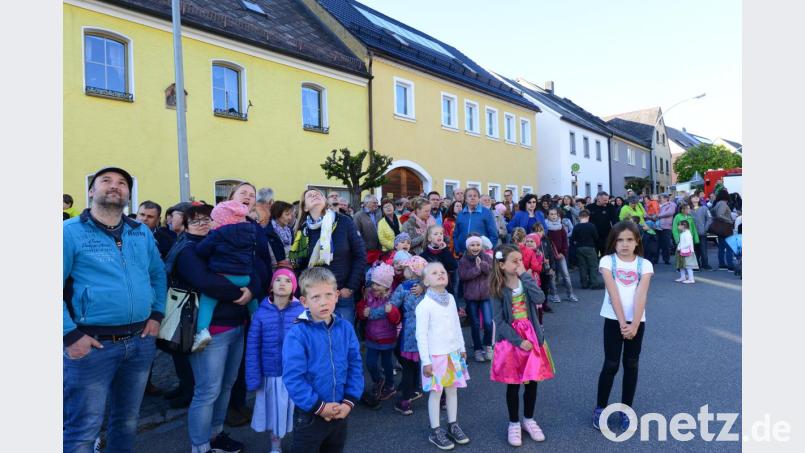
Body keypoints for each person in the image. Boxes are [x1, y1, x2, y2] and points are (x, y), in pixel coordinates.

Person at [63, 167, 166, 453]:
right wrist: (70, 335)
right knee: (82, 430)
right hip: (91, 346)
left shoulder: (140, 232)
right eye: (106, 180)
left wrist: (157, 314)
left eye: (122, 183)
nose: (115, 186)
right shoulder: (68, 232)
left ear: (129, 195)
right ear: (91, 191)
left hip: (140, 342)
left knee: (127, 422)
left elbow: (157, 274)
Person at [165, 203, 262, 453]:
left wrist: (252, 289)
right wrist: (243, 293)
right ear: (185, 225)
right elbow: (207, 282)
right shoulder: (187, 250)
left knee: (227, 385)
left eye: (206, 219)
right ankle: (200, 445)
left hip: (236, 325)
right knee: (207, 390)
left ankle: (216, 435)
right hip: (209, 332)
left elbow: (253, 269)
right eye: (195, 221)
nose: (202, 224)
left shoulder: (225, 241)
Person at [282, 267, 364, 453]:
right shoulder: (297, 334)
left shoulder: (346, 328)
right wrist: (320, 407)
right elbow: (293, 377)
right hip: (310, 415)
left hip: (341, 410)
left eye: (328, 295)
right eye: (316, 297)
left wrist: (349, 401)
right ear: (304, 301)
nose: (323, 302)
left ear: (337, 296)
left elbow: (355, 366)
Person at [593, 221, 654, 433]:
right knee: (611, 364)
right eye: (620, 240)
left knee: (631, 364)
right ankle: (601, 408)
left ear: (637, 241)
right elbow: (613, 293)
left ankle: (626, 410)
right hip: (613, 320)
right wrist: (623, 323)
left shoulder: (645, 265)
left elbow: (641, 295)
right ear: (614, 242)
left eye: (629, 239)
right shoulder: (607, 261)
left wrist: (634, 324)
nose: (625, 244)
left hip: (637, 321)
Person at [489, 245, 551, 447]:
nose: (519, 264)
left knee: (532, 381)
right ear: (501, 265)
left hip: (531, 336)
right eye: (514, 261)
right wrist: (518, 340)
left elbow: (540, 298)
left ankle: (529, 420)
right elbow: (499, 321)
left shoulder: (525, 280)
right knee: (514, 383)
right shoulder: (497, 288)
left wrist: (526, 276)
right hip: (512, 340)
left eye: (520, 260)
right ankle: (514, 423)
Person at [246, 269, 305, 453]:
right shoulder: (260, 314)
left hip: (295, 374)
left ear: (293, 287)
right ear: (271, 286)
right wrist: (253, 377)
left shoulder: (302, 312)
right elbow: (253, 347)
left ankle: (301, 445)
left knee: (297, 413)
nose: (282, 283)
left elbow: (309, 343)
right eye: (278, 279)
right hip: (271, 375)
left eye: (287, 280)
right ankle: (275, 447)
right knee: (275, 413)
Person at [289, 189, 367, 328]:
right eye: (310, 195)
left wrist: (350, 287)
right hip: (314, 295)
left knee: (343, 336)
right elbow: (296, 265)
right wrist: (303, 292)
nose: (314, 195)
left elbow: (360, 255)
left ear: (325, 201)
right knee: (318, 337)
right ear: (305, 207)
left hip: (341, 294)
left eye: (318, 194)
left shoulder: (344, 222)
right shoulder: (302, 231)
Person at [416, 262, 471, 450]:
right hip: (435, 357)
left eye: (442, 271)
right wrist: (426, 361)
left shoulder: (451, 299)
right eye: (434, 273)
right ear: (425, 281)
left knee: (452, 390)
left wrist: (462, 347)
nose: (440, 274)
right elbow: (421, 336)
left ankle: (453, 425)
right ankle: (436, 430)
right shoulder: (424, 305)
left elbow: (456, 324)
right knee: (436, 393)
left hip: (453, 354)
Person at [193, 200, 260, 352]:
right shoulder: (250, 232)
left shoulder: (218, 234)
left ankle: (202, 331)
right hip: (245, 277)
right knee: (251, 298)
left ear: (221, 220)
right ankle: (256, 317)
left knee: (207, 300)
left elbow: (201, 250)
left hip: (224, 276)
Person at [389, 256, 428, 416]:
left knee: (407, 367)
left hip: (409, 333)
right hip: (426, 332)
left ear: (412, 272)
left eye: (406, 268)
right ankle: (441, 398)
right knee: (422, 363)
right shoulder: (428, 288)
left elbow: (393, 304)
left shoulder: (404, 287)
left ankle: (405, 402)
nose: (403, 270)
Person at [356, 264, 401, 402]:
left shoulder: (391, 299)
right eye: (373, 283)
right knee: (370, 363)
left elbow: (397, 319)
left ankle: (390, 385)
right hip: (371, 338)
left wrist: (391, 311)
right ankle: (378, 380)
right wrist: (362, 312)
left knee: (387, 364)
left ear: (387, 286)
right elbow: (361, 309)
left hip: (387, 338)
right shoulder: (368, 296)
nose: (374, 287)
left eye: (378, 284)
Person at [457, 235, 493, 363]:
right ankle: (478, 349)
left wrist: (482, 264)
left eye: (477, 245)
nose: (475, 247)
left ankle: (488, 345)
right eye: (472, 245)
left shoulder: (486, 257)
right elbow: (463, 276)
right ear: (468, 247)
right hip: (471, 296)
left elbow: (491, 270)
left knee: (488, 322)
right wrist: (476, 269)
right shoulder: (463, 260)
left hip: (486, 295)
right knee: (475, 324)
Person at [453, 187, 499, 256]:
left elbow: (493, 234)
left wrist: (488, 249)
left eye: (475, 196)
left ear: (478, 198)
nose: (472, 198)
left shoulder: (486, 212)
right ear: (465, 199)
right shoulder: (461, 214)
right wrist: (458, 249)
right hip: (463, 253)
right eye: (470, 196)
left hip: (481, 253)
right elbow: (456, 234)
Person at [545, 208, 578, 302]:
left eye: (555, 214)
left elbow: (565, 241)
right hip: (550, 256)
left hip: (561, 255)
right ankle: (554, 295)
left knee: (566, 275)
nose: (553, 216)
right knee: (552, 276)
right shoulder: (546, 227)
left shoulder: (561, 226)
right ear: (548, 216)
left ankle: (570, 294)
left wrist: (563, 253)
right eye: (551, 214)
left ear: (558, 215)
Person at [419, 224, 458, 292]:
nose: (439, 235)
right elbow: (421, 274)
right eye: (436, 234)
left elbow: (454, 266)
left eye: (441, 234)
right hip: (430, 289)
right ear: (429, 238)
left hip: (445, 288)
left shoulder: (446, 251)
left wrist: (445, 249)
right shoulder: (423, 255)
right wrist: (421, 286)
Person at [572, 210, 602, 289]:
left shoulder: (576, 226)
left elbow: (573, 238)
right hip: (590, 247)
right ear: (588, 217)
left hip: (579, 247)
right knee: (593, 265)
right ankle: (594, 283)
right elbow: (596, 237)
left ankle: (584, 283)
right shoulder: (591, 226)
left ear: (579, 217)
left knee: (582, 266)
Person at [586, 191, 618, 256]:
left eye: (607, 200)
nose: (607, 201)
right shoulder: (589, 207)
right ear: (598, 199)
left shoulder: (610, 207)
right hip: (593, 236)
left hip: (606, 236)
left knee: (606, 255)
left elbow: (614, 220)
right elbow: (585, 220)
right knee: (593, 256)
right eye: (605, 200)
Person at [353, 194, 382, 264]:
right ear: (366, 204)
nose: (376, 205)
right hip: (366, 251)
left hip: (379, 250)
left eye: (377, 203)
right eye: (374, 203)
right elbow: (356, 234)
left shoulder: (379, 214)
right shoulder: (358, 216)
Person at [712, 189, 736, 270]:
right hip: (726, 227)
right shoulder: (723, 203)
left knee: (721, 247)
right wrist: (730, 220)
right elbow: (720, 215)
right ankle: (730, 265)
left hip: (721, 228)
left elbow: (713, 212)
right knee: (729, 247)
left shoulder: (718, 203)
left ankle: (722, 264)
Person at [690, 195, 713, 270]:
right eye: (693, 197)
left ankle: (705, 264)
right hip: (692, 233)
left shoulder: (704, 208)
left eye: (697, 197)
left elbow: (709, 218)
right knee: (694, 250)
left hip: (702, 232)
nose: (696, 197)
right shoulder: (688, 209)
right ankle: (696, 264)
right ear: (690, 199)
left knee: (703, 249)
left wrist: (705, 228)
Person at [656, 194, 677, 265]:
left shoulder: (671, 204)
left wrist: (658, 216)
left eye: (661, 198)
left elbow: (670, 213)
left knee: (666, 244)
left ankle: (666, 259)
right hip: (657, 227)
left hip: (666, 227)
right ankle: (655, 259)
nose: (659, 199)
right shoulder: (657, 205)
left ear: (666, 198)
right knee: (657, 244)